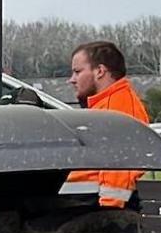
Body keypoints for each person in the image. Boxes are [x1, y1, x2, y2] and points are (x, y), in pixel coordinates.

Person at [65, 40, 153, 207]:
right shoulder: (106, 106)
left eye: (77, 72)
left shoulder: (120, 110)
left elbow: (120, 169)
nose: (72, 80)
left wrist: (109, 216)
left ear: (100, 71)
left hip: (96, 210)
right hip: (84, 206)